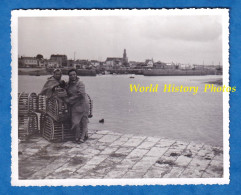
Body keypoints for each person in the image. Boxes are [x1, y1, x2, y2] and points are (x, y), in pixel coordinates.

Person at [65, 69, 89, 144]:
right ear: (69, 76)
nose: (73, 76)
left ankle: (81, 138)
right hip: (74, 105)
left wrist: (69, 99)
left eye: (74, 74)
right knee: (76, 122)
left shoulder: (80, 83)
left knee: (84, 121)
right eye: (71, 75)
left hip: (83, 103)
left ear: (76, 75)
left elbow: (81, 94)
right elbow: (65, 91)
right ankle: (77, 136)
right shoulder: (68, 84)